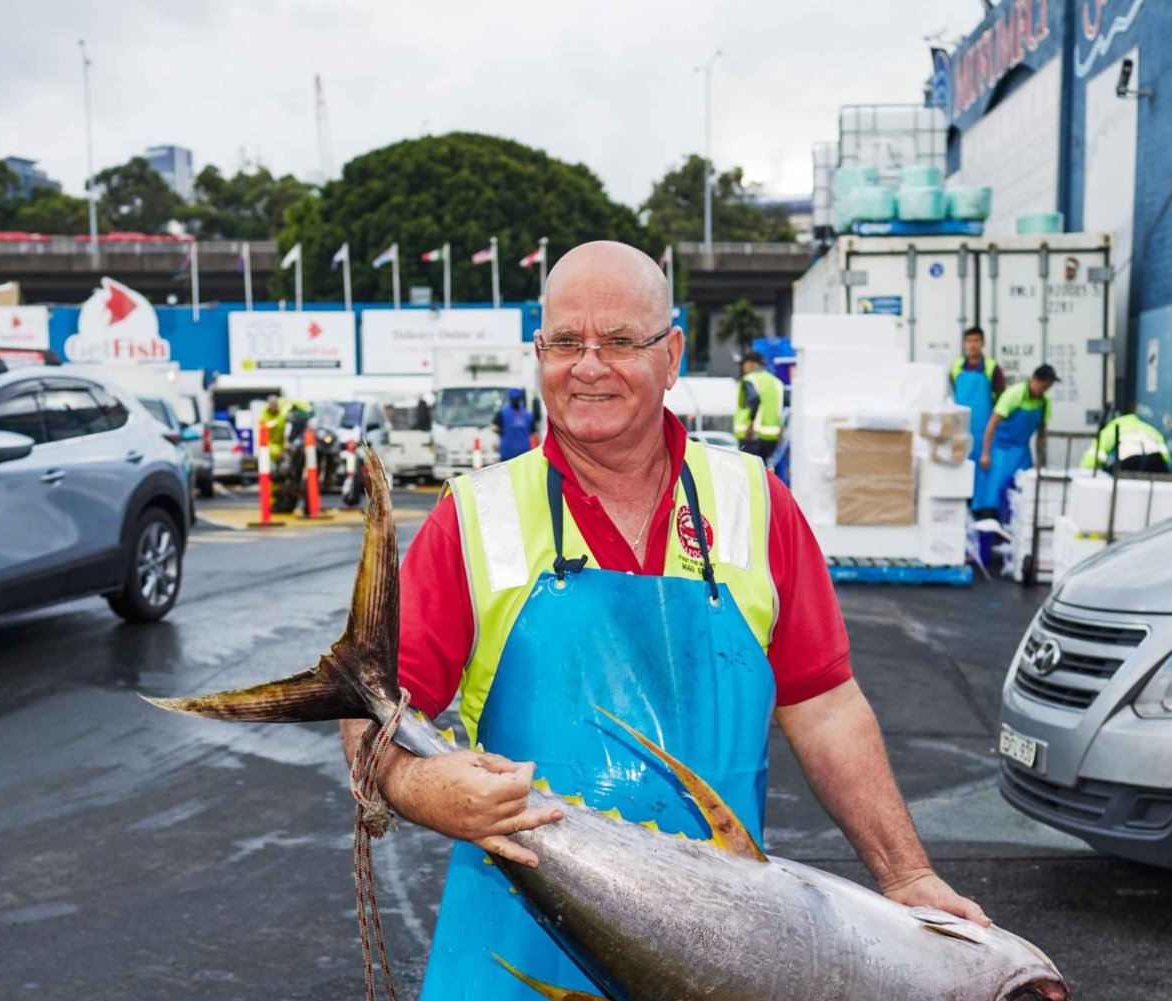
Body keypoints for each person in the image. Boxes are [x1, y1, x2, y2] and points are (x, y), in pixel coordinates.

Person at [339, 241, 985, 999]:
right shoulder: (474, 517)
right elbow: (370, 712)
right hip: (515, 945)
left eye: (619, 342)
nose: (588, 366)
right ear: (538, 351)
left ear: (672, 353)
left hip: (718, 951)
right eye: (565, 343)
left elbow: (826, 705)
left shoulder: (754, 501)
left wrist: (906, 873)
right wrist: (418, 786)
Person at [972, 365, 1058, 520]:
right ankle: (990, 527)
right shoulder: (1014, 394)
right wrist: (985, 453)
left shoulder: (1045, 402)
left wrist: (1041, 461)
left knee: (1023, 491)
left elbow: (1041, 433)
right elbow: (992, 423)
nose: (1045, 390)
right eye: (1044, 386)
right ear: (1034, 380)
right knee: (994, 491)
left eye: (1048, 387)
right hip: (1001, 449)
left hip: (1022, 452)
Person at [949, 327, 1005, 497]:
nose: (972, 345)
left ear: (982, 343)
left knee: (984, 472)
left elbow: (1001, 400)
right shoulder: (956, 367)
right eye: (969, 341)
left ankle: (982, 511)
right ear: (964, 343)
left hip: (985, 431)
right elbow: (952, 394)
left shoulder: (992, 368)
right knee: (960, 470)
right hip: (960, 430)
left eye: (976, 341)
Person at [734, 349, 785, 461]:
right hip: (772, 437)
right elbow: (781, 407)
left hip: (752, 436)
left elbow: (754, 401)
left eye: (744, 364)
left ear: (750, 364)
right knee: (763, 470)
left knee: (749, 471)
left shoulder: (750, 379)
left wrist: (751, 426)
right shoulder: (776, 382)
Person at [1080, 412, 1170, 473]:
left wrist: (1085, 475)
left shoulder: (1111, 429)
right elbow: (1165, 456)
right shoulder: (1149, 428)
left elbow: (1093, 457)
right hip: (1157, 463)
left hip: (1129, 463)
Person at [492, 387, 536, 461]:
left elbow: (494, 427)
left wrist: (501, 432)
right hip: (524, 453)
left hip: (507, 452)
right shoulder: (528, 414)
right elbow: (534, 433)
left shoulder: (503, 412)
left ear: (509, 398)